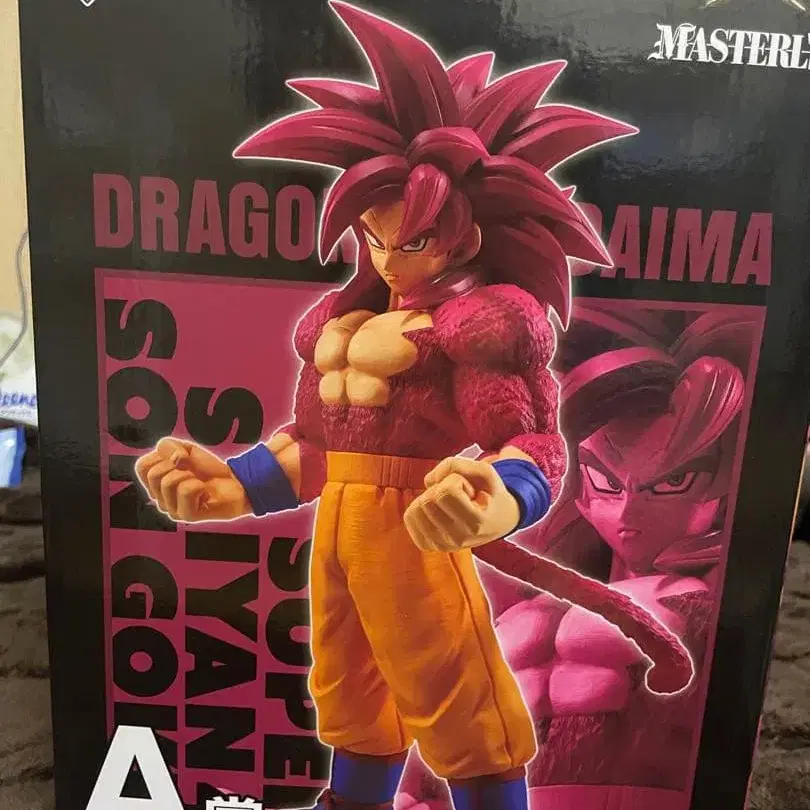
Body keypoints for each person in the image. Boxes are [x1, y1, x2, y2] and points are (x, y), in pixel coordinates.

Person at [135, 4, 689, 808]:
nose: (390, 257)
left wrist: (494, 496)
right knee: (349, 692)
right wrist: (234, 484)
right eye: (374, 234)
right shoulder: (345, 322)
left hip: (417, 530)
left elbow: (534, 443)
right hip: (341, 531)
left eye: (416, 239)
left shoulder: (480, 325)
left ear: (470, 232)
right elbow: (317, 443)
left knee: (459, 700)